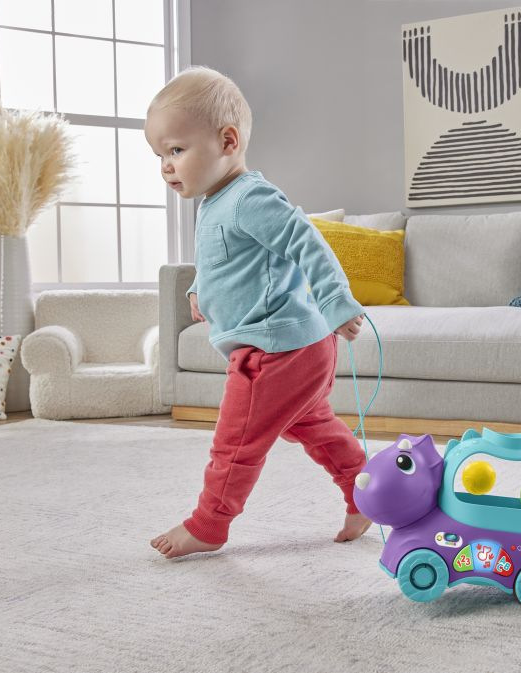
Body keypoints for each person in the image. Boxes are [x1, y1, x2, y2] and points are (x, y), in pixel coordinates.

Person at [145, 66, 370, 559]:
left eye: (176, 150)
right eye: (159, 155)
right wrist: (201, 289)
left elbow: (308, 243)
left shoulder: (251, 198)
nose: (165, 166)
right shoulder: (214, 202)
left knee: (235, 442)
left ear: (227, 141)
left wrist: (335, 302)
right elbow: (225, 258)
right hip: (296, 347)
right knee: (313, 427)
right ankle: (365, 493)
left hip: (275, 350)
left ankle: (210, 524)